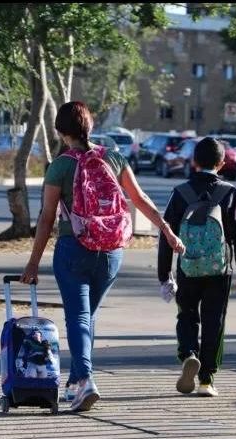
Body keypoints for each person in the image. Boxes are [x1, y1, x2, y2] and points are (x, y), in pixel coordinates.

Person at [20, 101, 185, 412]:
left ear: (60, 131)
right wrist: (167, 230)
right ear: (90, 127)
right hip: (111, 251)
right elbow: (140, 198)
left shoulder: (61, 165)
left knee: (79, 317)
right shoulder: (114, 157)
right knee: (88, 316)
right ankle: (75, 382)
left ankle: (85, 380)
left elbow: (45, 218)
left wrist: (32, 263)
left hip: (74, 249)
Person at [158, 136, 236, 398]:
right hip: (219, 270)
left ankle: (189, 353)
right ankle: (206, 379)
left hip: (188, 268)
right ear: (222, 164)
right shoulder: (230, 193)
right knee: (214, 321)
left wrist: (164, 274)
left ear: (194, 161)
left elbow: (167, 235)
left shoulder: (181, 193)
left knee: (186, 314)